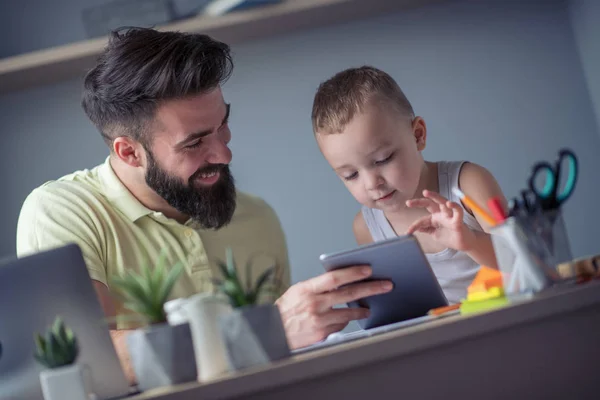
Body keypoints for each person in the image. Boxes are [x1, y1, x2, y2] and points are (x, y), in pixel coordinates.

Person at [16, 28, 391, 384]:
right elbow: (88, 359)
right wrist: (268, 329)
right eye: (195, 143)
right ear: (129, 152)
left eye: (223, 125)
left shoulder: (256, 218)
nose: (225, 154)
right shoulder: (61, 212)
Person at [311, 65, 508, 304]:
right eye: (351, 175)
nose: (372, 183)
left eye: (383, 159)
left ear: (418, 135)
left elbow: (523, 263)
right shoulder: (366, 226)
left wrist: (471, 241)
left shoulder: (468, 183)